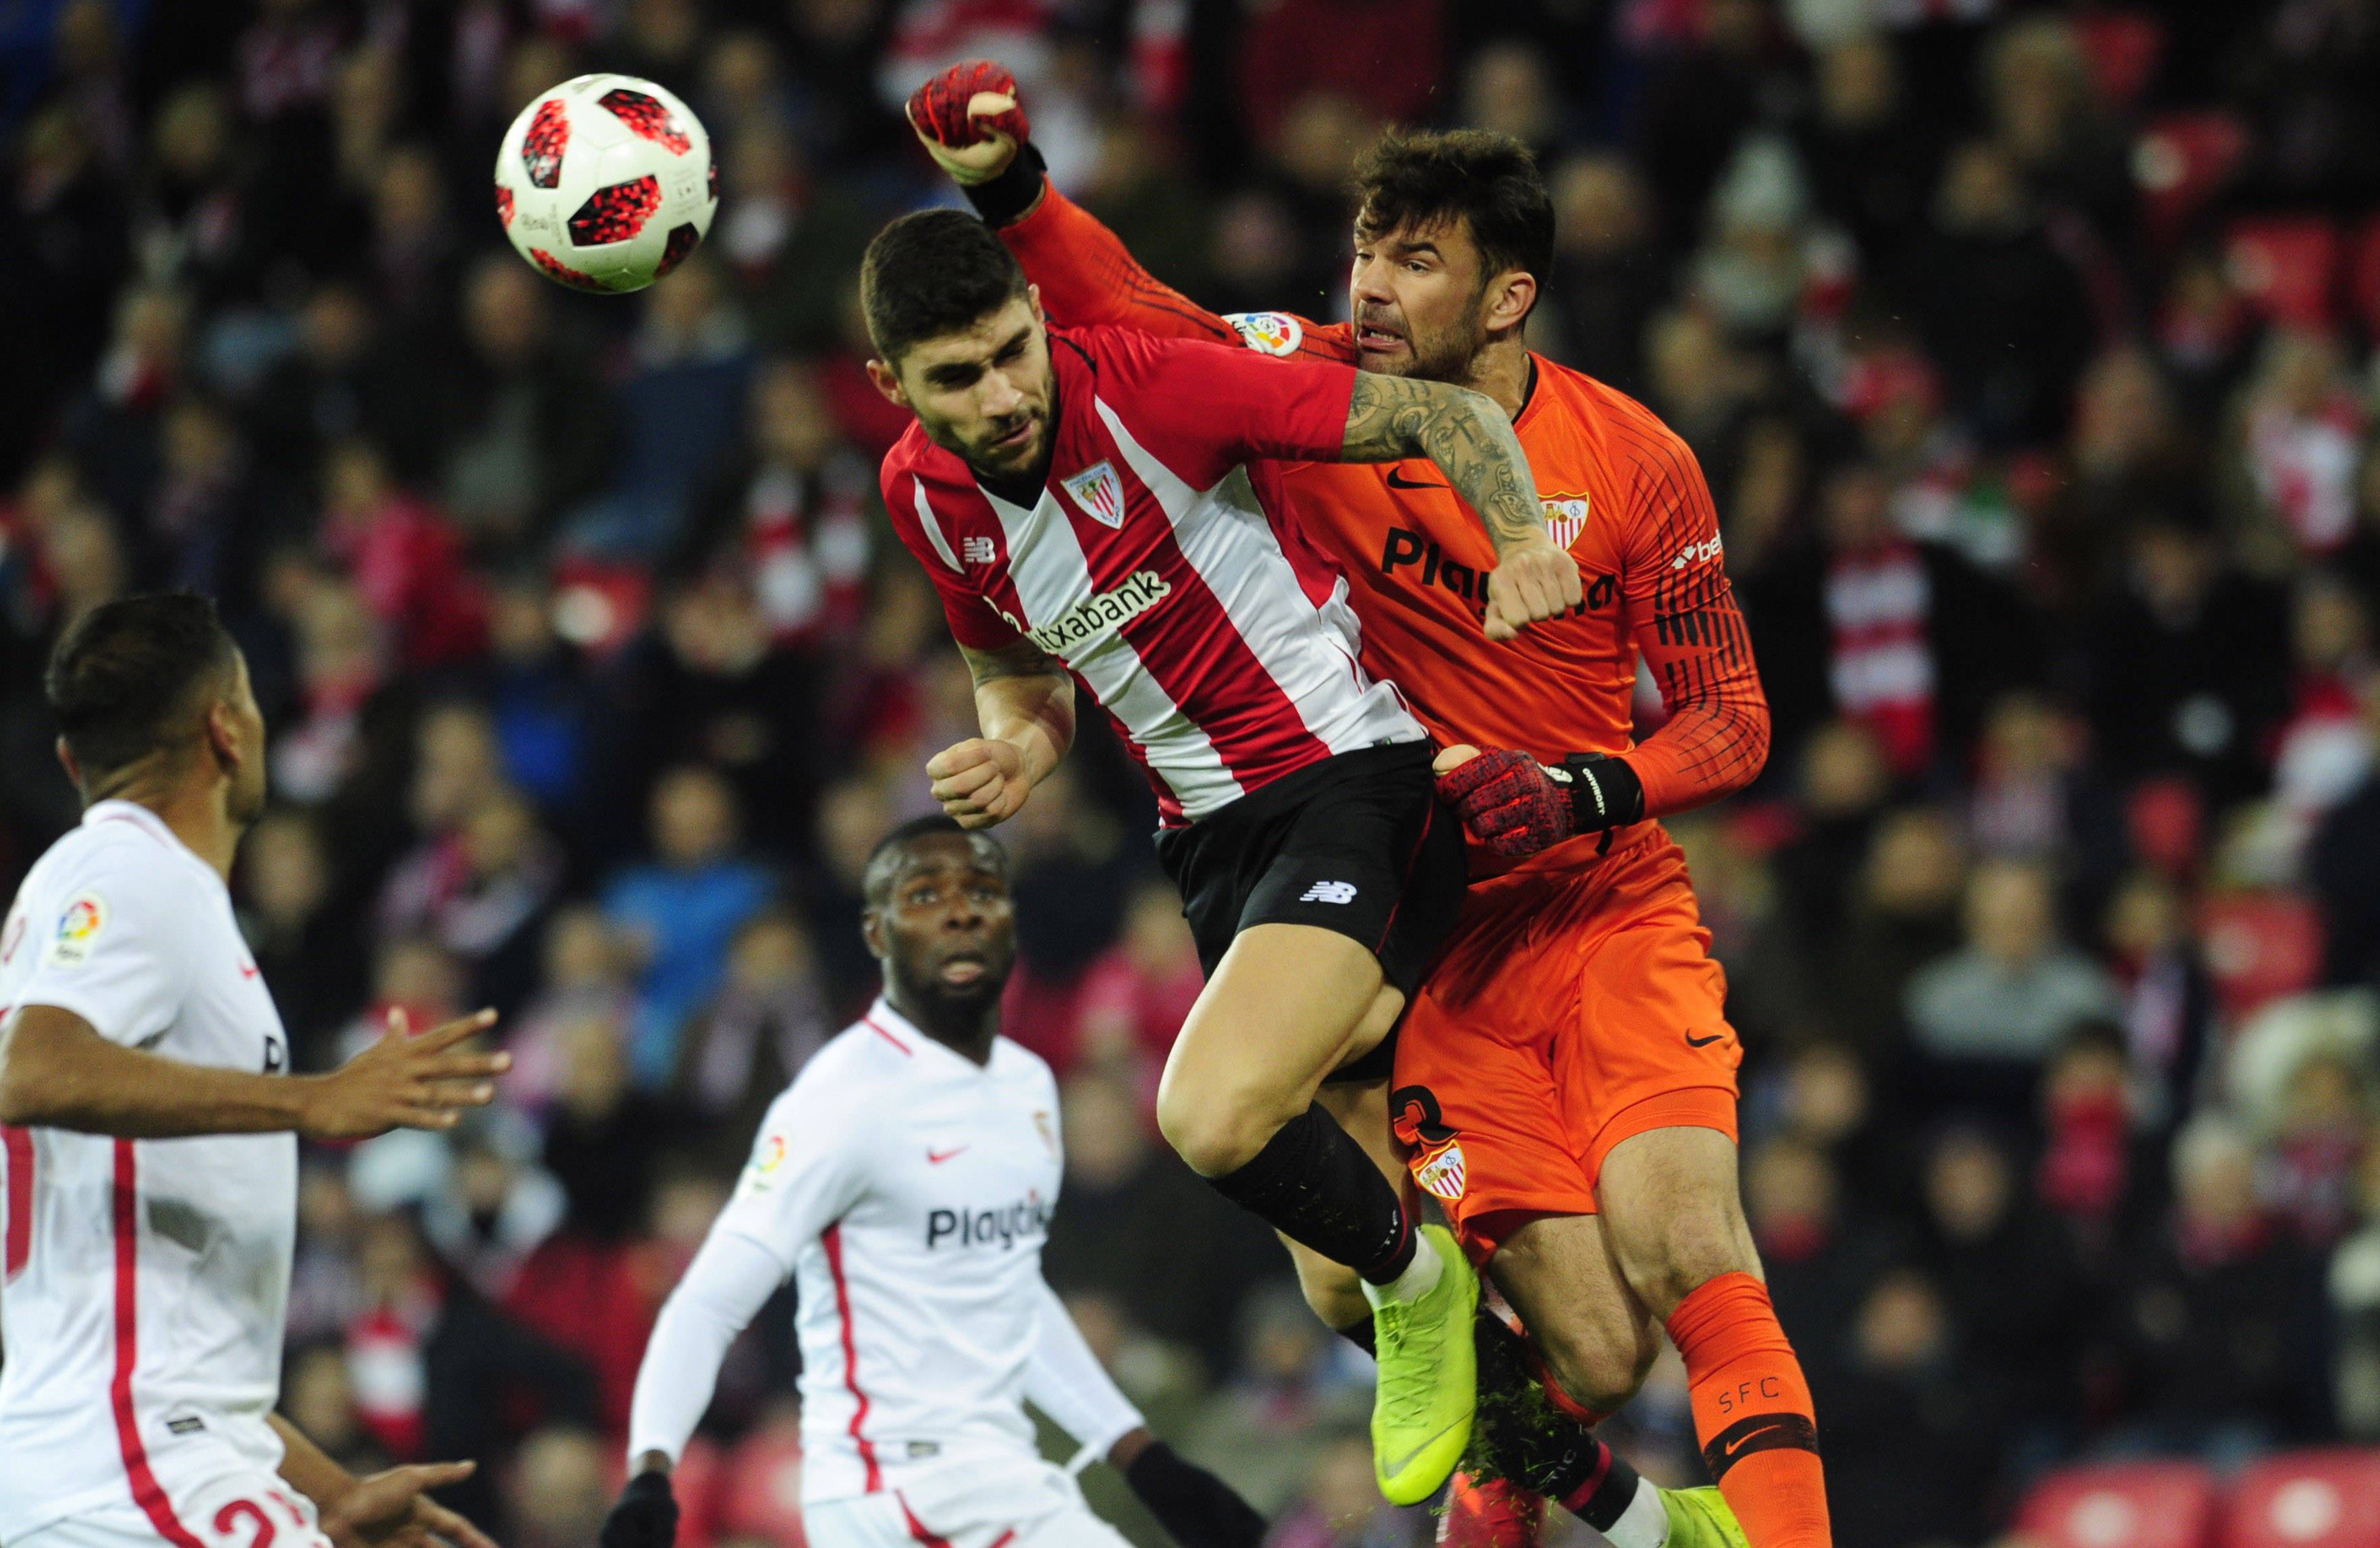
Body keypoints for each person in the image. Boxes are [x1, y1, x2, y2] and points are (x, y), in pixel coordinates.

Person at [909, 65, 1820, 1548]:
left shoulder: (1638, 458)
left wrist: (1587, 784)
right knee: (1575, 1353)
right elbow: (1131, 312)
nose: (1370, 284)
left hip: (1600, 905)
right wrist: (1010, 188)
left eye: (1415, 258)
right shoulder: (1302, 385)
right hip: (1422, 914)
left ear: (1508, 293)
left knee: (1690, 1244)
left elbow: (1732, 721)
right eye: (1362, 246)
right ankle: (1628, 1518)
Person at [859, 204, 1581, 1503]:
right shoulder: (923, 491)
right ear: (892, 388)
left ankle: (1425, 1282)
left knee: (1208, 1114)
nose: (1006, 390)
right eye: (958, 377)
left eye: (1014, 348)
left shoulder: (1146, 384)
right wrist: (1019, 747)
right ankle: (1646, 1524)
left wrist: (1525, 539)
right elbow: (1014, 672)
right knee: (1328, 1280)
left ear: (1037, 316)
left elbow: (1446, 414)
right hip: (1212, 851)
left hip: (1355, 781)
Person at [597, 817, 1266, 1548]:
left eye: (982, 890)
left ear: (1011, 919)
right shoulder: (840, 1100)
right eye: (923, 894)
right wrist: (651, 1471)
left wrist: (1142, 1457)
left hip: (999, 1472)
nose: (959, 911)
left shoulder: (1029, 1087)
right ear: (876, 932)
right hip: (890, 1489)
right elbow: (710, 1298)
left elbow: (1006, 1290)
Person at [0, 595, 511, 1548]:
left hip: (130, 1458)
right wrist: (313, 1098)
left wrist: (326, 1487)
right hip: (134, 1471)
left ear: (76, 763)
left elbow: (162, 1318)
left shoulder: (128, 903)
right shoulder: (129, 871)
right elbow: (30, 1068)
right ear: (227, 729)